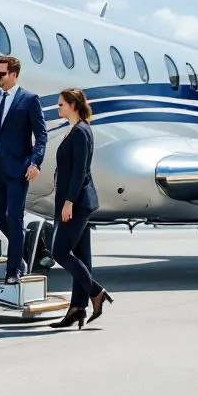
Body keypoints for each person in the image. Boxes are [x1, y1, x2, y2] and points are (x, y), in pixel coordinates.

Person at [0, 54, 47, 285]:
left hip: (19, 169)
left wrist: (35, 162)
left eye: (1, 74)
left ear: (14, 74)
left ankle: (13, 270)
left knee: (14, 218)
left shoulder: (29, 99)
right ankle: (20, 256)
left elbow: (41, 135)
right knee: (0, 217)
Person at [49, 88, 113, 329]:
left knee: (60, 252)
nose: (58, 108)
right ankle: (77, 308)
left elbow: (80, 172)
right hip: (76, 202)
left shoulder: (81, 132)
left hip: (76, 203)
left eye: (61, 105)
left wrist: (69, 202)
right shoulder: (75, 130)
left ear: (72, 105)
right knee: (82, 257)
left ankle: (96, 292)